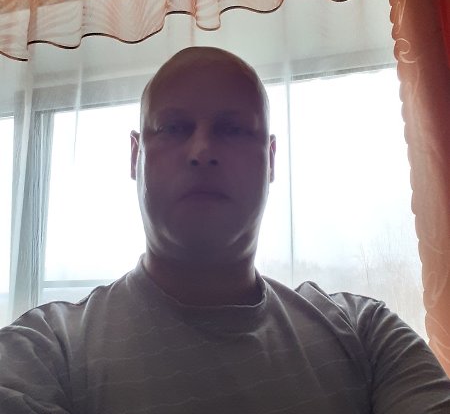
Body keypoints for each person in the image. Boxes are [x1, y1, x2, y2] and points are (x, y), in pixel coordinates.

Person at [0, 46, 449, 414]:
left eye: (232, 129)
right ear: (136, 156)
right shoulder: (43, 351)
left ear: (271, 160)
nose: (201, 150)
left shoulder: (367, 335)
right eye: (174, 127)